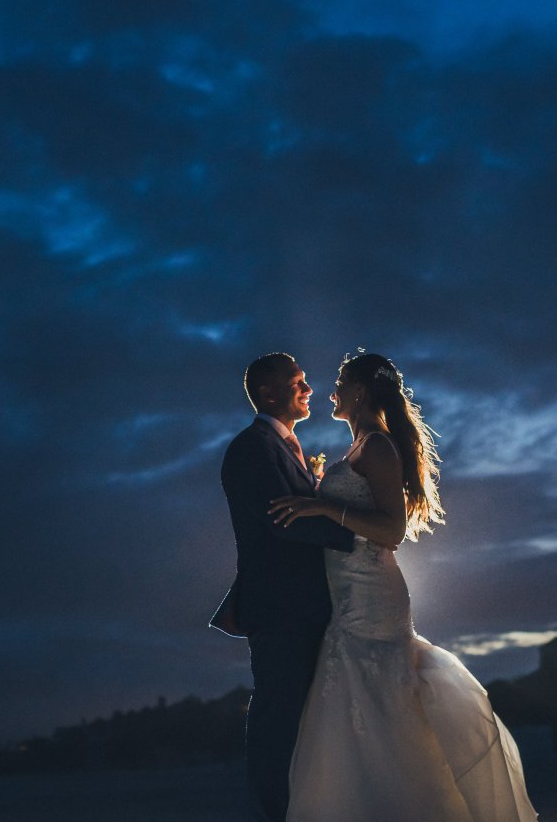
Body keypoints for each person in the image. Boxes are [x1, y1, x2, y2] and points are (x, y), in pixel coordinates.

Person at [266, 351, 535, 821]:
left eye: (340, 381)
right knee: (354, 705)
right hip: (345, 592)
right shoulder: (357, 448)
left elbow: (390, 531)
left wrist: (324, 508)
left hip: (372, 593)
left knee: (379, 699)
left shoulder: (378, 447)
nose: (331, 390)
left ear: (360, 392)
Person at [213, 352, 363, 822]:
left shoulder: (286, 446)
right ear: (268, 393)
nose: (309, 389)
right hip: (280, 607)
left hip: (307, 605)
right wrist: (359, 536)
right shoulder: (251, 448)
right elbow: (283, 521)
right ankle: (276, 812)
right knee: (278, 717)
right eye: (297, 381)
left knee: (305, 715)